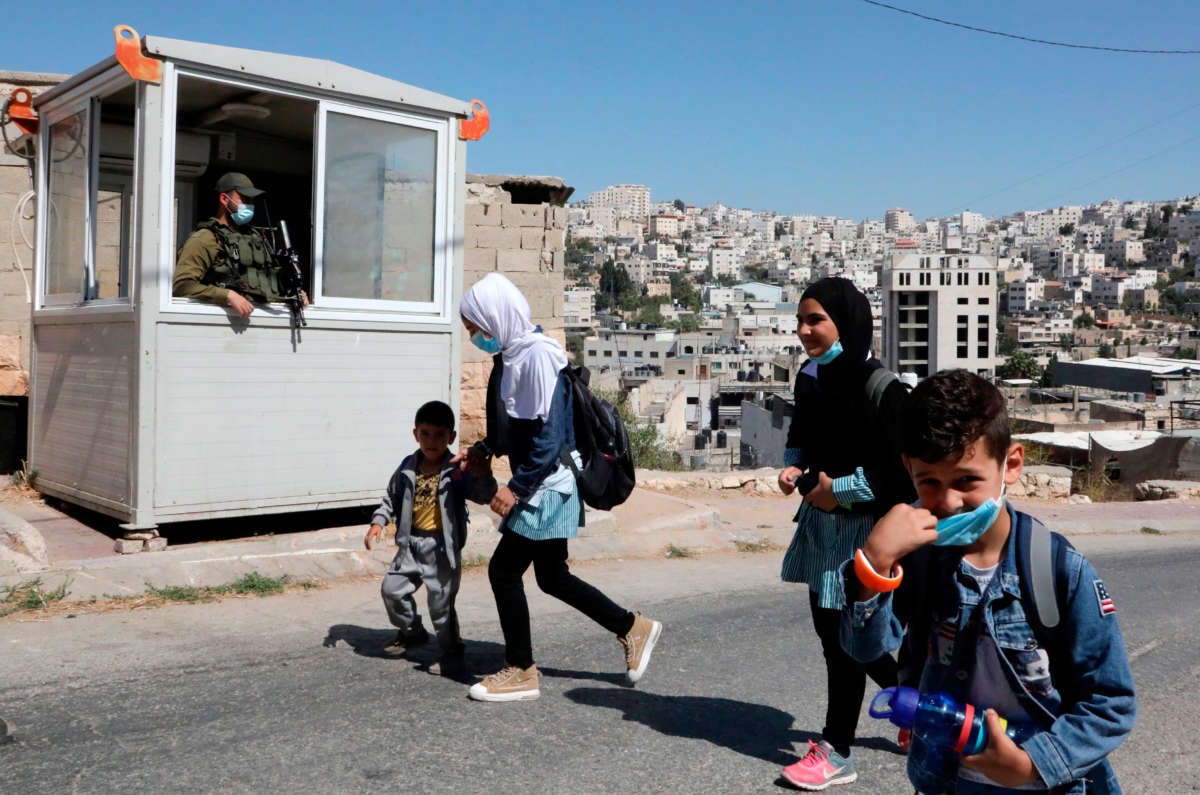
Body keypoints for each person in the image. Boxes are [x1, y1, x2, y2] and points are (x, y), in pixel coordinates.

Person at [840, 370, 1136, 793]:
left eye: (966, 480)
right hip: (949, 780)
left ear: (1010, 465)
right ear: (909, 469)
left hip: (1050, 783)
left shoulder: (1058, 570)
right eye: (930, 482)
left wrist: (1033, 765)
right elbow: (863, 648)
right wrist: (875, 563)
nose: (948, 502)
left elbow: (1111, 701)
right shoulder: (915, 557)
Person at [455, 273, 662, 702]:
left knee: (504, 570)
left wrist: (516, 487)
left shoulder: (539, 357)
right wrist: (483, 450)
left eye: (476, 327)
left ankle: (521, 669)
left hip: (547, 485)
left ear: (496, 318)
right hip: (543, 481)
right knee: (551, 576)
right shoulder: (511, 357)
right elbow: (515, 426)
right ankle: (631, 627)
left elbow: (549, 437)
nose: (474, 336)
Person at [775, 277, 916, 790]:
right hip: (820, 526)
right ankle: (917, 707)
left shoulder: (884, 389)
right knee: (835, 635)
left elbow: (901, 474)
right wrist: (794, 467)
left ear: (846, 323)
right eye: (801, 321)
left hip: (864, 532)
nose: (805, 331)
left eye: (816, 320)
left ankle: (837, 750)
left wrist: (844, 490)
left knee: (844, 643)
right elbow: (801, 434)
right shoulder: (811, 378)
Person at [364, 400, 497, 673]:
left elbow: (484, 495)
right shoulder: (407, 467)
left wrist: (483, 474)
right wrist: (378, 522)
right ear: (415, 434)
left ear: (451, 437)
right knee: (391, 591)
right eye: (425, 433)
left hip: (441, 550)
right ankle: (412, 632)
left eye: (439, 435)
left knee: (441, 607)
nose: (431, 441)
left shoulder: (457, 469)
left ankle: (452, 651)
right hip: (410, 546)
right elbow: (390, 497)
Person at [172, 172, 305, 317]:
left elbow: (266, 285)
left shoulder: (256, 237)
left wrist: (293, 296)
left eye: (251, 200)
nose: (250, 205)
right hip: (220, 324)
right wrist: (226, 295)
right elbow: (182, 286)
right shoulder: (205, 238)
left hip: (261, 323)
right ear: (224, 199)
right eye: (244, 199)